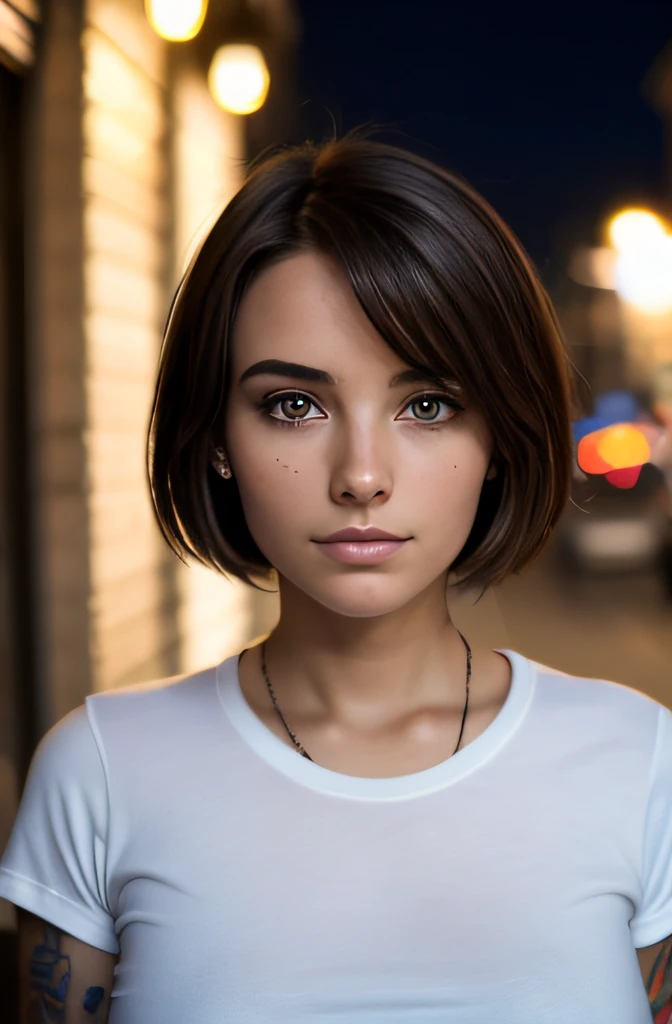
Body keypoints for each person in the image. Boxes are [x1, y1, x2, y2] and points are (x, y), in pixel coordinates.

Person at [1, 132, 671, 1024]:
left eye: (425, 405)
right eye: (295, 405)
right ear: (218, 443)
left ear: (500, 439)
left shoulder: (640, 763)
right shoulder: (101, 772)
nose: (362, 474)